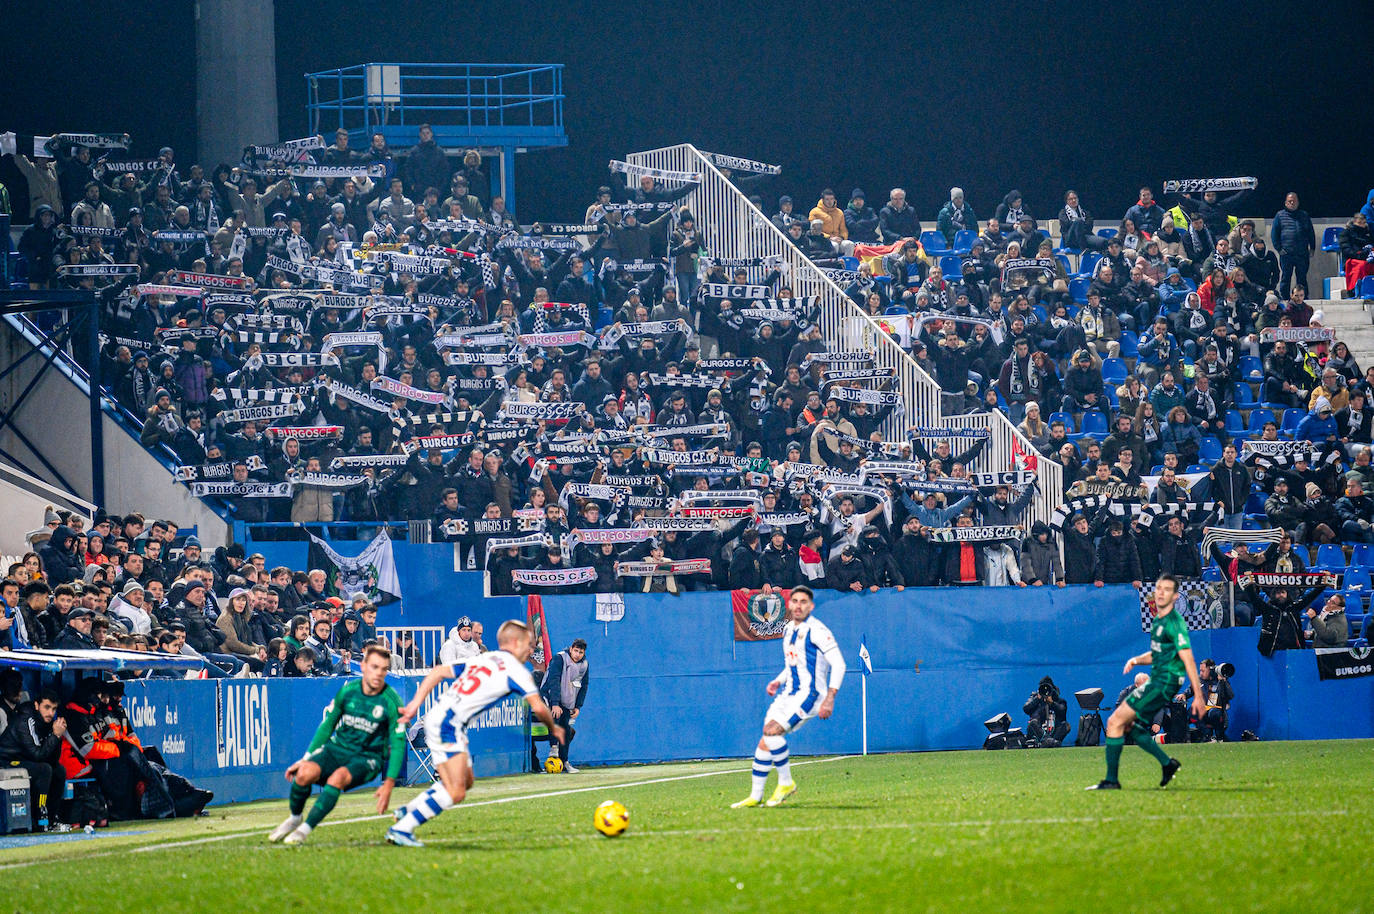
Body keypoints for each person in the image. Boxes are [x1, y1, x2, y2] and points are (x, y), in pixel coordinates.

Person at [386, 619, 563, 847]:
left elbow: (438, 671)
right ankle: (402, 829)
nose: (530, 651)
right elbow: (539, 707)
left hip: (442, 719)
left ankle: (408, 811)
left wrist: (415, 704)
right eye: (528, 645)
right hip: (447, 725)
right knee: (456, 790)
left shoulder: (484, 659)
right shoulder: (516, 672)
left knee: (466, 780)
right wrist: (554, 728)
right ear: (515, 643)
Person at [268, 645, 406, 845]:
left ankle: (303, 831)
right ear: (364, 666)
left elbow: (399, 743)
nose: (379, 673)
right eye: (375, 667)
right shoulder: (348, 691)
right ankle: (295, 818)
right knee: (305, 773)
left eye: (384, 669)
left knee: (337, 778)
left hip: (367, 758)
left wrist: (390, 782)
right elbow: (327, 726)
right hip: (337, 748)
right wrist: (306, 759)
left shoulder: (392, 700)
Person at [731, 585, 845, 808]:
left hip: (810, 695)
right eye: (795, 601)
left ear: (811, 606)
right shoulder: (788, 629)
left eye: (804, 602)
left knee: (772, 733)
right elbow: (795, 663)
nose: (799, 606)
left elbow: (839, 664)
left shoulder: (818, 631)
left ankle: (786, 782)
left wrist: (830, 698)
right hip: (788, 693)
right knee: (765, 741)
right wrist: (779, 680)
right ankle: (755, 796)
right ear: (789, 604)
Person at [1088, 574, 1205, 791]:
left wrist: (1198, 695)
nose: (1161, 592)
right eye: (1159, 588)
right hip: (1159, 681)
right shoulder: (1159, 620)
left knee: (1115, 722)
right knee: (1129, 726)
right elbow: (1157, 654)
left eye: (1167, 589)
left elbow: (1187, 656)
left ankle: (1112, 780)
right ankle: (1167, 764)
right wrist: (1136, 660)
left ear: (1175, 596)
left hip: (1165, 682)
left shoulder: (1174, 623)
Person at [0, 687, 69, 828]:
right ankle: (41, 817)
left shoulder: (48, 722)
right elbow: (38, 755)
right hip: (7, 761)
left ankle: (52, 818)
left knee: (58, 770)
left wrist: (57, 737)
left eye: (54, 709)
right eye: (47, 707)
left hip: (25, 760)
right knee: (44, 769)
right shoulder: (26, 721)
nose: (50, 713)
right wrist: (55, 736)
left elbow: (52, 759)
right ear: (37, 705)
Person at [537, 638, 589, 772]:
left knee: (566, 728)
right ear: (571, 649)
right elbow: (553, 681)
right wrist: (554, 703)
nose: (577, 654)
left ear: (584, 653)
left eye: (580, 652)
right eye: (575, 651)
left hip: (567, 700)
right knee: (555, 716)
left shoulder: (584, 666)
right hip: (548, 695)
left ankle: (564, 761)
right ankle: (553, 749)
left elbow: (584, 686)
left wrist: (578, 706)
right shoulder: (559, 659)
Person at [1023, 676, 1069, 747]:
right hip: (1038, 733)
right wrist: (1037, 699)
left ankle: (1051, 742)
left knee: (1066, 725)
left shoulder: (1058, 700)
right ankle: (1049, 742)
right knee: (1033, 723)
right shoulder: (1035, 697)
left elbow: (1062, 711)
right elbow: (1026, 708)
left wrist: (1052, 703)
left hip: (1054, 732)